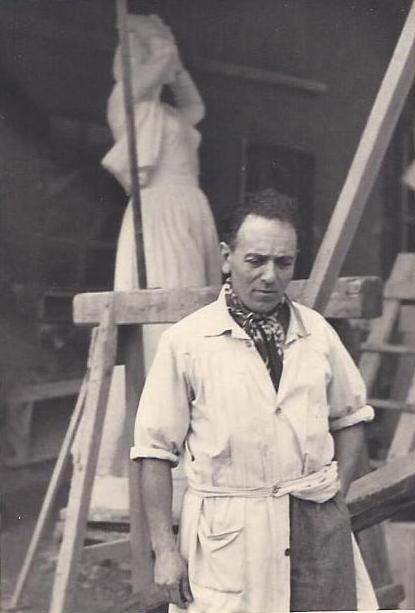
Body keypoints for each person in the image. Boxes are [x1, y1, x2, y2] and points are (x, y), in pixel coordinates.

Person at [131, 188, 379, 613]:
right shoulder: (186, 342)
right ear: (226, 257)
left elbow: (352, 417)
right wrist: (165, 551)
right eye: (256, 260)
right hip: (228, 532)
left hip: (315, 523)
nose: (269, 276)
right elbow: (153, 453)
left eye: (283, 263)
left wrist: (337, 495)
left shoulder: (317, 332)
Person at [91, 14, 221, 499]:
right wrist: (155, 40)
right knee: (166, 328)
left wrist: (175, 61)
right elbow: (145, 72)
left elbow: (196, 105)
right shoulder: (128, 104)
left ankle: (196, 445)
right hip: (160, 215)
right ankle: (155, 452)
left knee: (200, 321)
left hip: (191, 211)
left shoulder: (170, 114)